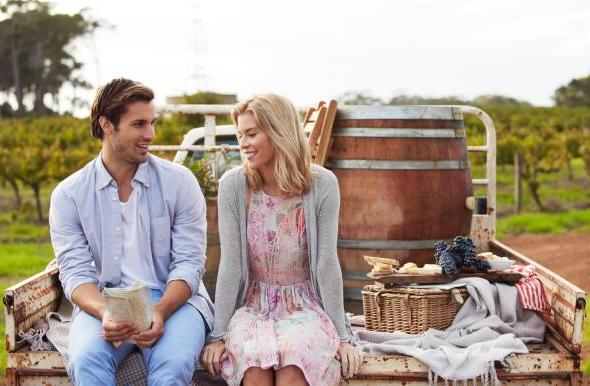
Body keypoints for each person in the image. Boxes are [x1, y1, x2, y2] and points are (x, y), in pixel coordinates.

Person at [49, 78, 214, 386]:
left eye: (152, 123)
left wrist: (160, 310)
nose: (150, 134)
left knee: (174, 365)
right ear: (106, 124)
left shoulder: (180, 183)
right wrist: (104, 312)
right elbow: (74, 272)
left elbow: (190, 262)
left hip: (174, 301)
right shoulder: (69, 194)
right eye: (139, 124)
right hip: (107, 301)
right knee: (86, 361)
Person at [200, 94, 361, 386]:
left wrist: (343, 335)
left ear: (278, 131)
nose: (243, 143)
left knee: (293, 367)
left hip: (305, 306)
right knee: (254, 367)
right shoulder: (234, 185)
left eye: (252, 134)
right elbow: (232, 264)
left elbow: (326, 262)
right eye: (240, 135)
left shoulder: (322, 184)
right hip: (253, 306)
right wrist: (219, 334)